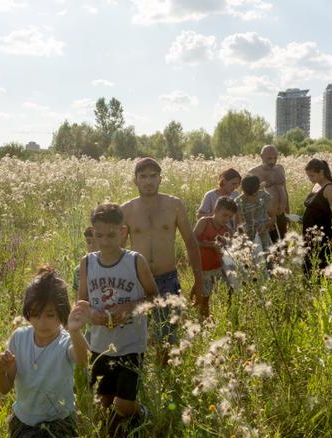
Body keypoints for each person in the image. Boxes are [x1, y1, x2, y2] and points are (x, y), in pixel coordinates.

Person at [78, 203, 158, 435]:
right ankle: (121, 421)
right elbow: (81, 302)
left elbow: (154, 296)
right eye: (98, 235)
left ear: (123, 231)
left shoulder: (134, 260)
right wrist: (91, 314)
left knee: (121, 406)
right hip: (100, 346)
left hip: (131, 344)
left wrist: (131, 306)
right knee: (100, 405)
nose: (104, 241)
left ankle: (137, 413)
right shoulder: (87, 262)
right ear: (92, 232)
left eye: (111, 234)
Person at [0, 266, 90, 438]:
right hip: (24, 421)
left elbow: (82, 359)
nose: (42, 322)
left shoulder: (65, 342)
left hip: (58, 422)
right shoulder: (19, 338)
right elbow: (5, 388)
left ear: (62, 313)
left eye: (50, 315)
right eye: (35, 314)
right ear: (27, 313)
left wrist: (75, 331)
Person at [121, 157, 204, 359]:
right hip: (137, 282)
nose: (148, 181)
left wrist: (199, 281)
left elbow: (191, 243)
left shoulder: (174, 205)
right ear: (135, 180)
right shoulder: (126, 210)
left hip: (167, 279)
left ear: (160, 179)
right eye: (143, 177)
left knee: (167, 339)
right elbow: (119, 251)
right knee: (136, 339)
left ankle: (165, 377)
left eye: (153, 176)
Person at [193, 196, 237, 318]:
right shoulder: (204, 222)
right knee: (205, 296)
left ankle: (230, 317)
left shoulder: (227, 229)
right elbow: (192, 240)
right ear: (216, 210)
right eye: (224, 215)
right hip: (204, 267)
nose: (226, 219)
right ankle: (204, 320)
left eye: (230, 217)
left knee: (230, 289)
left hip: (219, 266)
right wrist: (209, 245)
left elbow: (234, 244)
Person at [302, 158, 332, 277]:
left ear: (321, 172)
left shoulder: (329, 188)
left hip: (323, 233)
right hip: (309, 233)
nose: (310, 179)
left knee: (321, 262)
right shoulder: (316, 186)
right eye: (308, 176)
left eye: (312, 176)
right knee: (309, 261)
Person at [248, 145, 290, 243]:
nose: (272, 161)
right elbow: (250, 198)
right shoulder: (253, 173)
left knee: (283, 248)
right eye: (269, 158)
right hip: (266, 219)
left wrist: (287, 213)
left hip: (281, 216)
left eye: (275, 158)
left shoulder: (280, 169)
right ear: (261, 156)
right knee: (270, 250)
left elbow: (285, 191)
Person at [235, 175, 275, 255]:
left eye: (254, 194)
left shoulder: (265, 197)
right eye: (247, 195)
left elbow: (273, 218)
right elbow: (238, 225)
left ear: (258, 189)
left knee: (267, 261)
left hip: (264, 238)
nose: (251, 197)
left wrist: (265, 225)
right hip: (247, 239)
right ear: (243, 190)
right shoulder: (238, 202)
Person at [72, 227, 97, 295]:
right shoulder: (78, 270)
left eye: (96, 242)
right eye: (89, 242)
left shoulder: (110, 265)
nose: (92, 246)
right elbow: (77, 299)